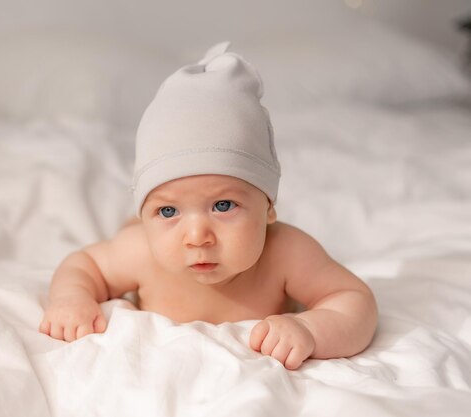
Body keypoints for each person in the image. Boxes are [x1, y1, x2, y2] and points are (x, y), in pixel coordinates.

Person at [38, 42, 378, 370]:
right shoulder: (141, 251)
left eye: (223, 205)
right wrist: (72, 300)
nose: (198, 237)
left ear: (269, 206)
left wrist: (312, 330)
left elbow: (353, 299)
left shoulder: (286, 253)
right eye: (168, 211)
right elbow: (83, 265)